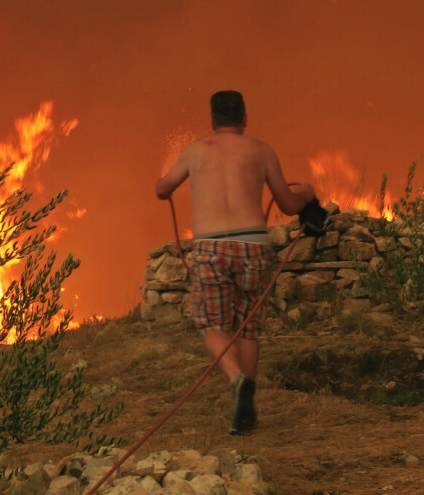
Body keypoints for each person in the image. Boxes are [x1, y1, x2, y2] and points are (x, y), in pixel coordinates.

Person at [154, 90, 316, 434]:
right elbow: (288, 205)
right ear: (244, 119)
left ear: (212, 122)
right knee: (249, 326)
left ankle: (237, 379)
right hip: (254, 246)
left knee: (212, 325)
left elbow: (162, 189)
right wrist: (309, 195)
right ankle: (246, 411)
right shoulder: (261, 151)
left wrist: (162, 184)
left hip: (212, 249)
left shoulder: (197, 150)